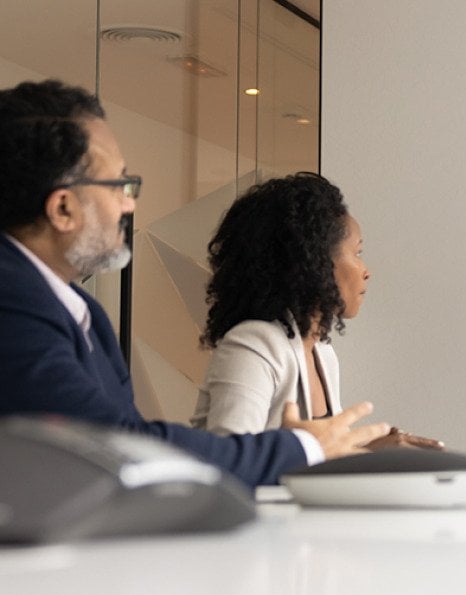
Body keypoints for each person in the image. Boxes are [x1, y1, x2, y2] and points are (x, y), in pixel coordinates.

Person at [0, 79, 388, 487]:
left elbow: (122, 442)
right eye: (120, 185)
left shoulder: (85, 313)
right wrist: (304, 449)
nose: (130, 204)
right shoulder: (12, 304)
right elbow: (117, 450)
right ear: (63, 208)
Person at [191, 172, 441, 450]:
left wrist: (373, 450)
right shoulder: (253, 345)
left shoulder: (322, 352)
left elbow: (319, 455)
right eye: (357, 253)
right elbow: (231, 461)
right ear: (315, 262)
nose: (366, 271)